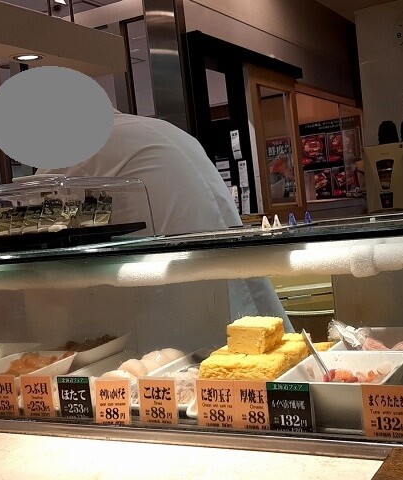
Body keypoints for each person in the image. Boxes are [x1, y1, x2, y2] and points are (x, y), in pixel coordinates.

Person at [37, 109, 294, 332]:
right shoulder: (165, 131)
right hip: (222, 280)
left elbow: (44, 265)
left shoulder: (68, 155)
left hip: (173, 308)